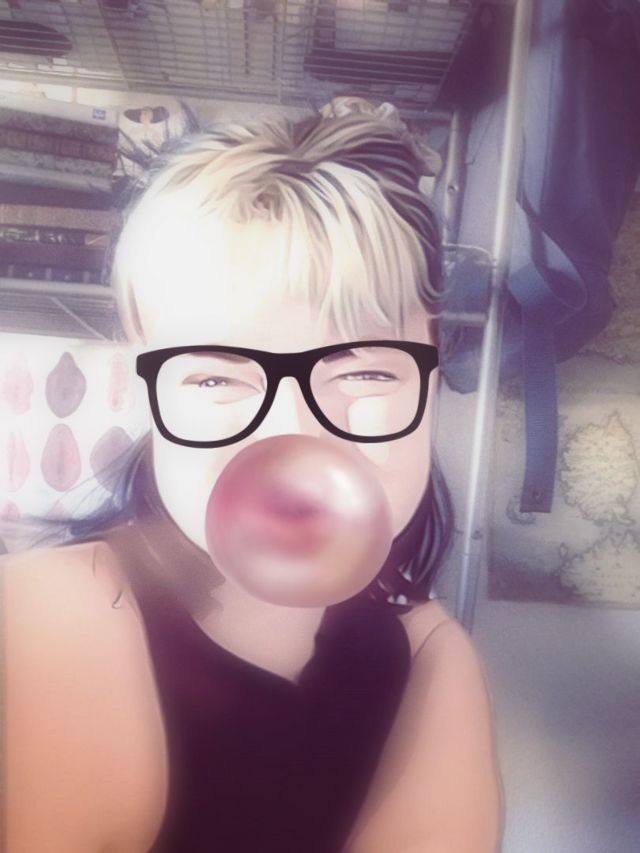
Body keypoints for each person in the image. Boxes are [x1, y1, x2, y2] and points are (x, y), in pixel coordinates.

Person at [3, 108, 504, 852]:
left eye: (364, 371)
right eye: (215, 378)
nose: (293, 435)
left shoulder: (430, 654)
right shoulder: (52, 613)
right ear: (148, 391)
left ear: (430, 382)